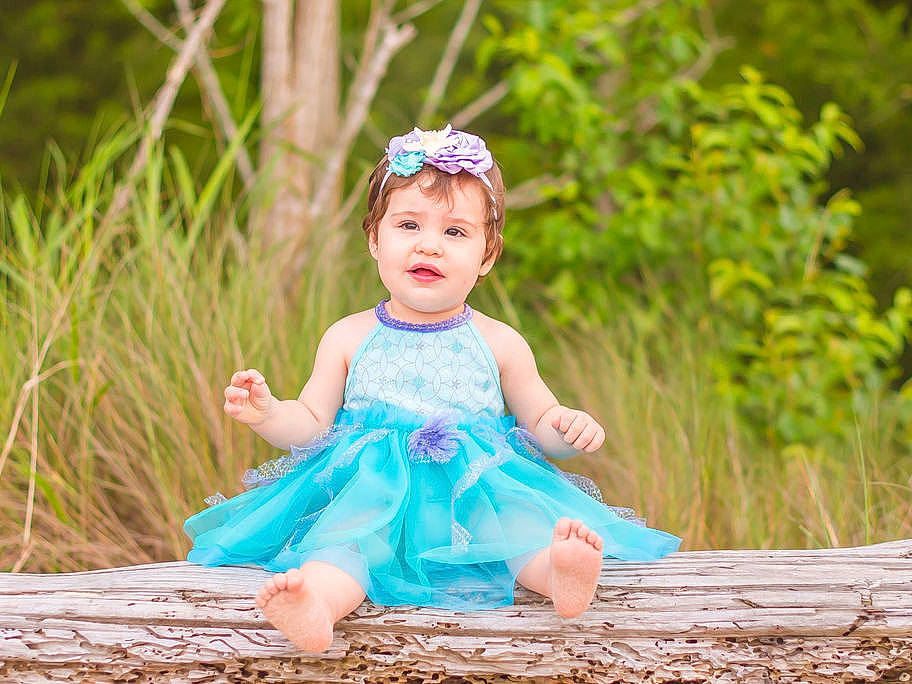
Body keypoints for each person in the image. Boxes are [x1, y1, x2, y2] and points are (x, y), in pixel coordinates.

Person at [184, 124, 681, 653]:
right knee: (345, 545)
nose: (429, 245)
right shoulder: (348, 335)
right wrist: (266, 413)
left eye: (456, 233)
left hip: (478, 485)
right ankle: (316, 606)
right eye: (408, 225)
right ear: (375, 240)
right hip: (372, 487)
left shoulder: (500, 342)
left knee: (520, 526)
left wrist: (569, 430)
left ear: (487, 256)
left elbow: (542, 423)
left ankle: (561, 576)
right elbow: (310, 424)